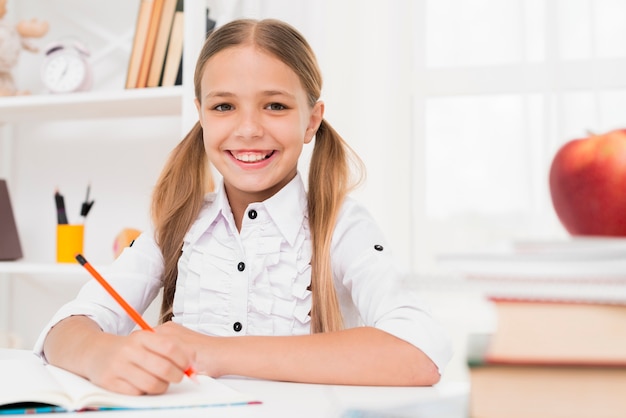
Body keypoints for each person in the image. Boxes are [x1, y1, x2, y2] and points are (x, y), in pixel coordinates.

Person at [35, 18, 452, 396]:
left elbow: (420, 350)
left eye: (275, 105)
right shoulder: (177, 225)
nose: (249, 129)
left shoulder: (341, 226)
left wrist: (216, 353)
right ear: (200, 116)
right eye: (223, 106)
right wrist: (101, 355)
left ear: (311, 120)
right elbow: (63, 331)